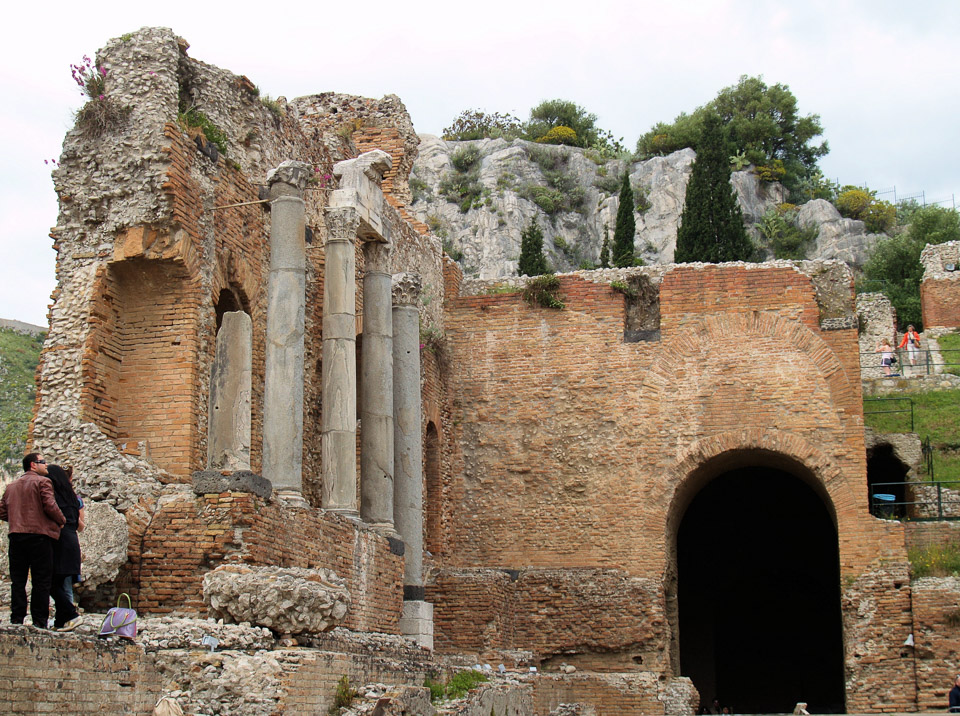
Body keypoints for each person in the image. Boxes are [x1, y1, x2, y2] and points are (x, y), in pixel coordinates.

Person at [0, 453, 65, 629]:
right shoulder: (43, 482)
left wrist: (16, 520)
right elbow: (50, 505)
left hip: (16, 536)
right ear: (33, 465)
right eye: (43, 462)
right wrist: (61, 520)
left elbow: (2, 511)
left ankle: (17, 618)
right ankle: (39, 620)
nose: (46, 465)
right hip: (39, 536)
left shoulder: (11, 486)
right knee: (41, 580)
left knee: (18, 580)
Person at [46, 464, 83, 631]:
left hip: (60, 542)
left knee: (50, 582)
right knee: (59, 582)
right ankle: (60, 622)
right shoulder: (72, 498)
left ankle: (71, 614)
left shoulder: (55, 498)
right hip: (71, 542)